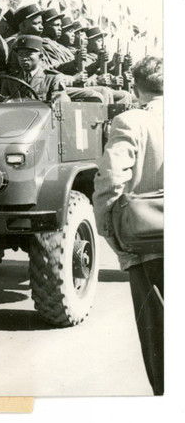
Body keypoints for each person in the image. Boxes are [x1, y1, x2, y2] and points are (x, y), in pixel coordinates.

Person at [92, 56, 164, 396]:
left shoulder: (131, 120)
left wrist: (111, 234)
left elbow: (110, 182)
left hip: (149, 247)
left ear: (135, 87)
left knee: (161, 347)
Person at [1, 35, 70, 102]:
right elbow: (2, 106)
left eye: (28, 54)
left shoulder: (52, 79)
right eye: (20, 54)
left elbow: (60, 105)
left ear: (40, 56)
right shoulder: (10, 80)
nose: (24, 58)